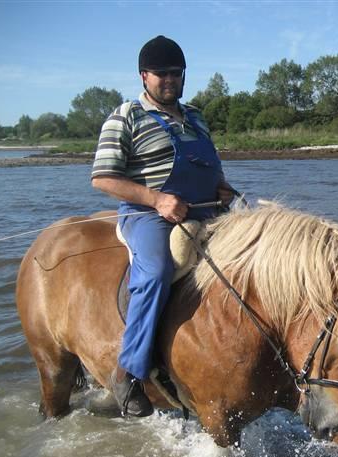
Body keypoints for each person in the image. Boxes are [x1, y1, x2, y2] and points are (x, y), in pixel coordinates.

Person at [91, 35, 236, 417]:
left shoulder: (197, 116)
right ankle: (130, 374)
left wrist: (222, 188)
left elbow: (211, 167)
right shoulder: (125, 117)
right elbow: (103, 178)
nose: (169, 79)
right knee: (155, 272)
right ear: (144, 76)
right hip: (150, 215)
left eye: (176, 72)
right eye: (160, 73)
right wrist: (157, 199)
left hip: (208, 211)